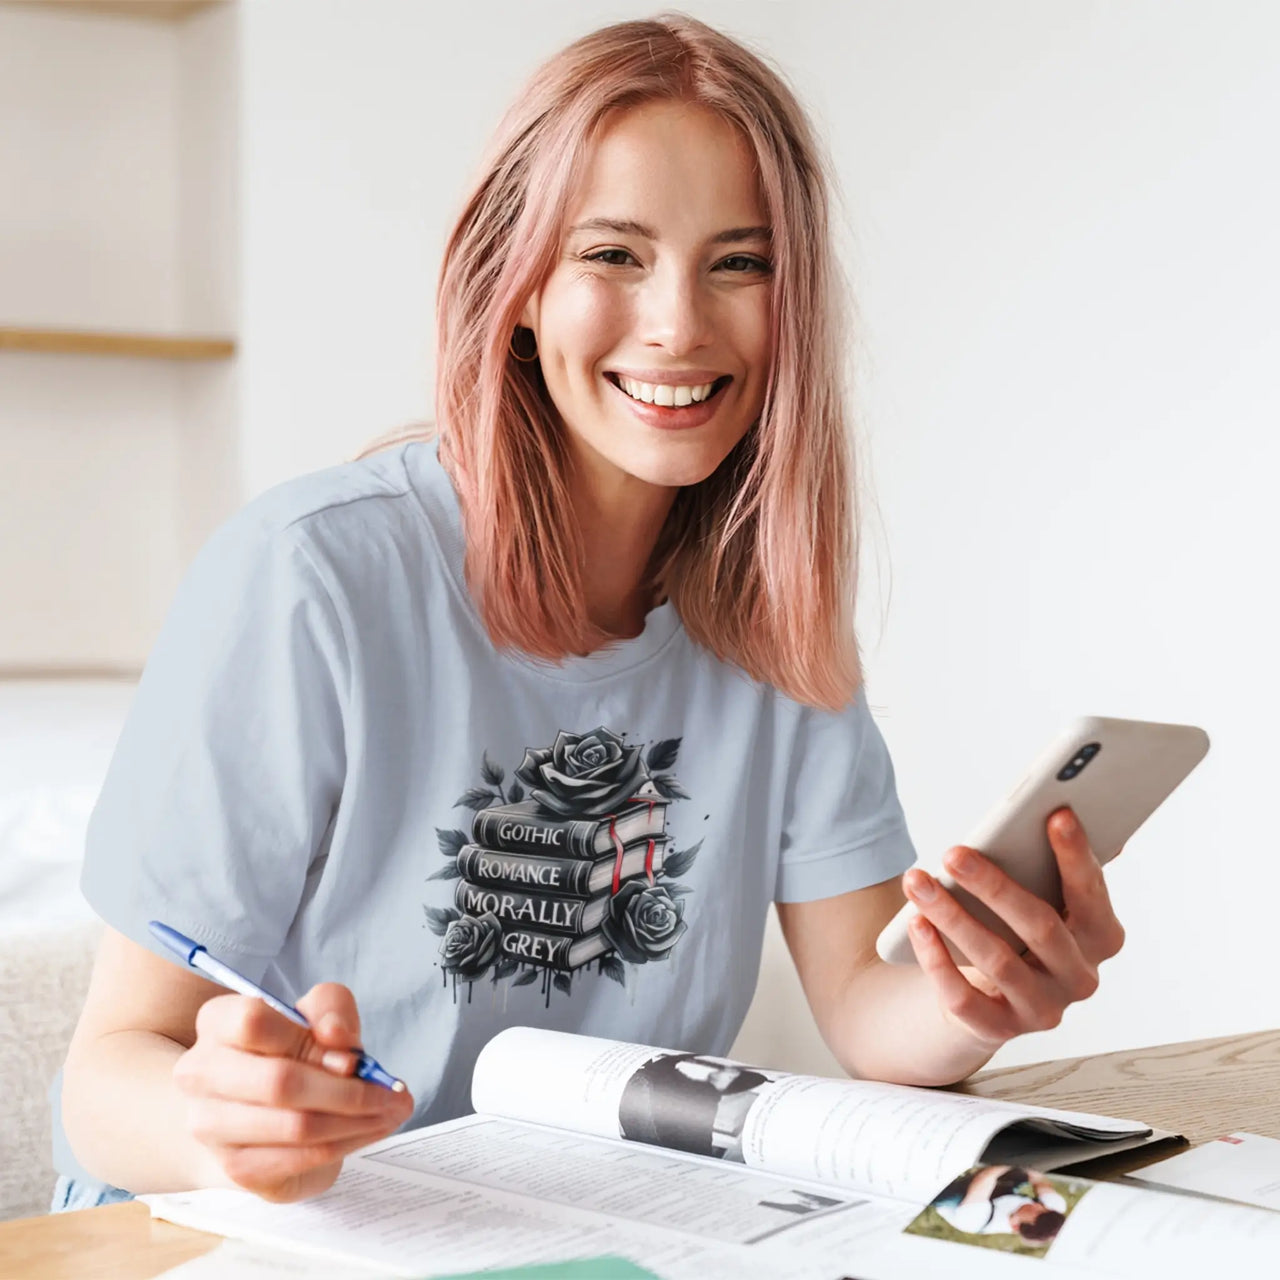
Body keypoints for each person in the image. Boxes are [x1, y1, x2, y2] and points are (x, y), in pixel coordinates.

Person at [53, 13, 1127, 1211]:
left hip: (561, 1226)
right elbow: (105, 1077)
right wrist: (226, 1126)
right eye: (612, 254)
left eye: (741, 261)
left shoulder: (773, 613)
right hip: (253, 1231)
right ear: (511, 285)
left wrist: (975, 988)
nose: (676, 322)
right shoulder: (309, 577)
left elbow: (869, 1018)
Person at [618, 1053, 772, 1159]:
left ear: (732, 1082)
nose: (723, 1072)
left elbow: (664, 1073)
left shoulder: (705, 1093)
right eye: (726, 1070)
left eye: (729, 1074)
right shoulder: (705, 1092)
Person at [931, 1165, 1068, 1243]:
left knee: (942, 1192)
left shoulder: (974, 1221)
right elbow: (1039, 1180)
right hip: (1001, 1191)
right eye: (1044, 1208)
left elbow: (985, 1178)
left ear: (1017, 1225)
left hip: (961, 1199)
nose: (1039, 1206)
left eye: (1037, 1213)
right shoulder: (1055, 1208)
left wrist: (1010, 1161)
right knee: (1022, 1171)